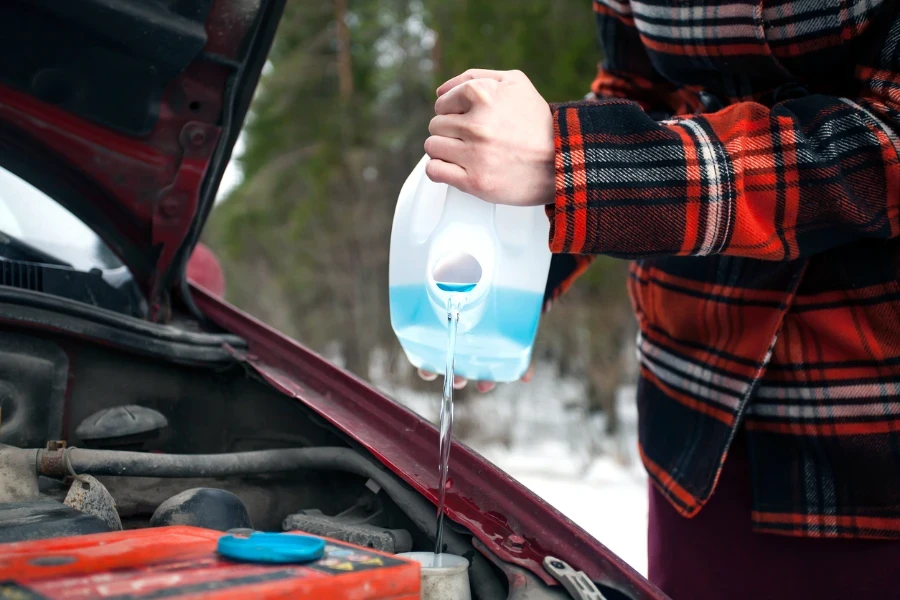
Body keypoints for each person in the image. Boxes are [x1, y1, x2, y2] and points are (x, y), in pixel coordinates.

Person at [420, 0, 900, 597]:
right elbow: (639, 90)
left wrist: (575, 160)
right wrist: (517, 268)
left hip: (869, 425)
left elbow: (888, 145)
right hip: (693, 403)